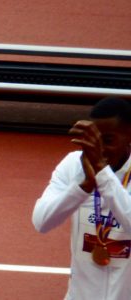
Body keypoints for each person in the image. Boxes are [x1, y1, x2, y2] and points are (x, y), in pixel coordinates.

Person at [32, 97, 131, 299]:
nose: (98, 150)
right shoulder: (73, 166)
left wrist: (102, 175)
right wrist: (83, 186)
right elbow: (41, 222)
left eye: (108, 141)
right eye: (93, 140)